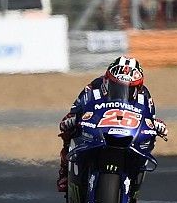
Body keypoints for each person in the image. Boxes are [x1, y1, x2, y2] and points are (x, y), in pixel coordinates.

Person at [57, 57, 168, 192]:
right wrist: (72, 119)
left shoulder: (144, 95)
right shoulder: (92, 88)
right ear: (107, 81)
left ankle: (134, 179)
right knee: (70, 132)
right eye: (116, 86)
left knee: (149, 140)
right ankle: (64, 172)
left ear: (137, 88)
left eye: (129, 89)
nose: (122, 92)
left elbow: (150, 117)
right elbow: (75, 110)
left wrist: (157, 125)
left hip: (128, 133)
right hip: (99, 131)